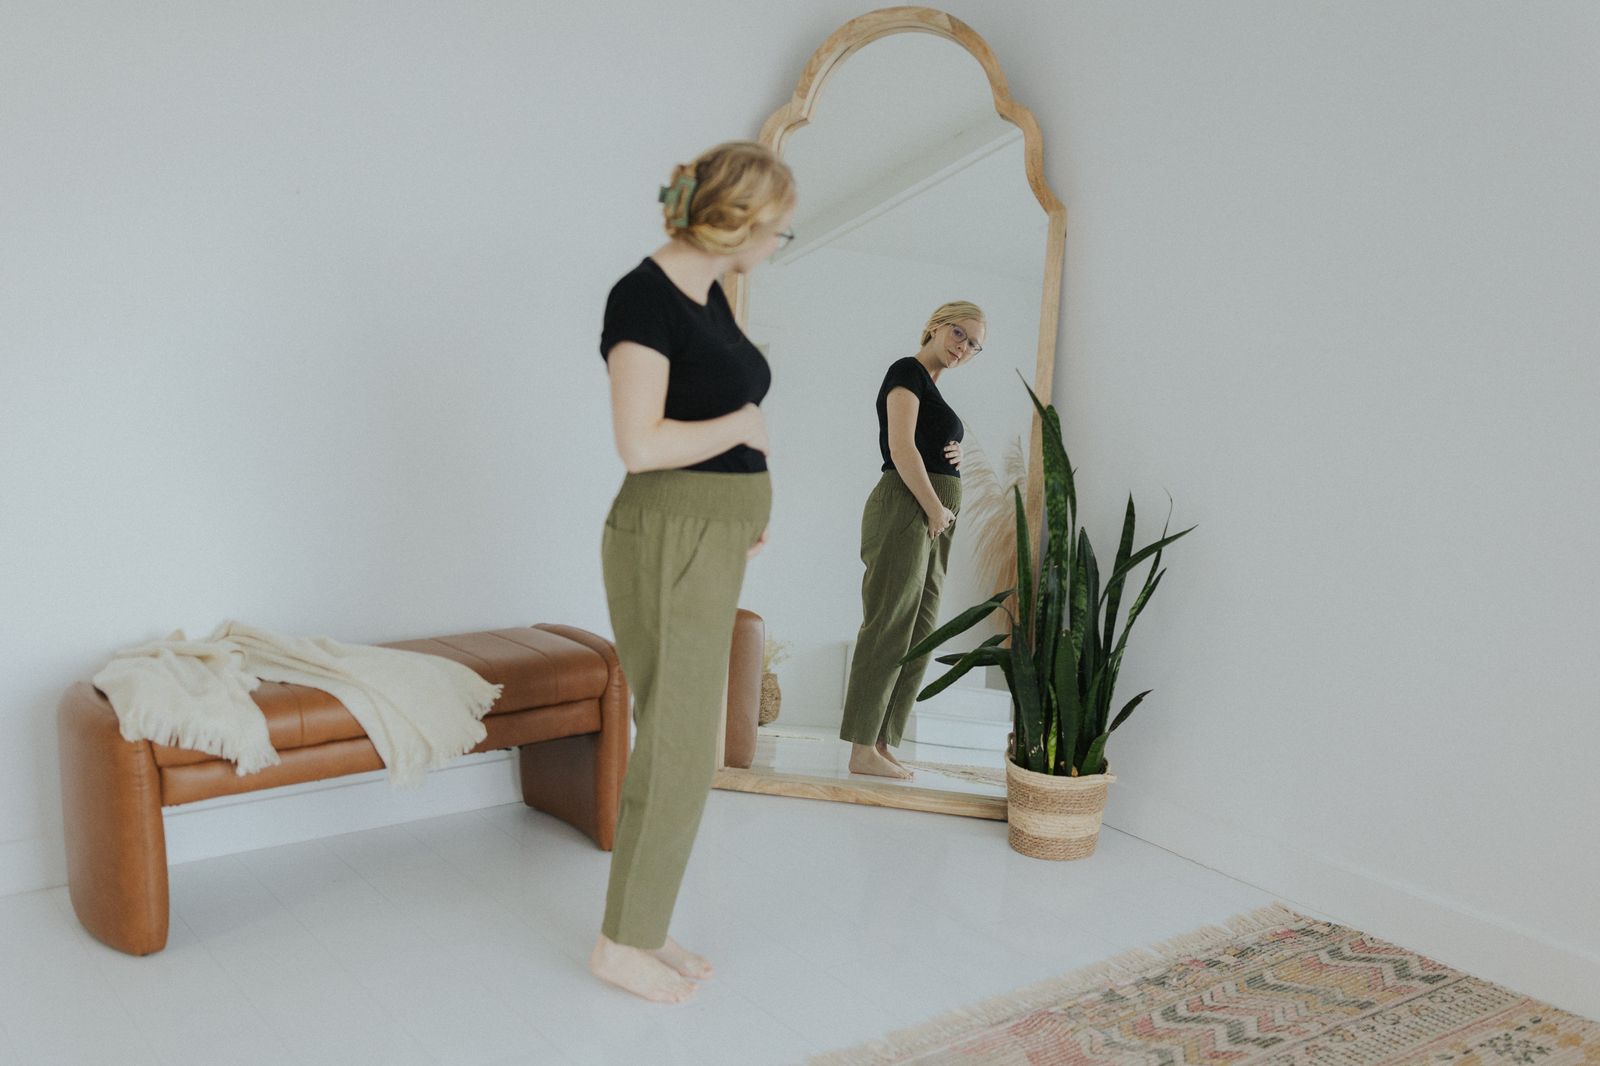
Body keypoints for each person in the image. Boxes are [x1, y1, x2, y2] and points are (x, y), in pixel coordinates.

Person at [590, 141, 796, 1003]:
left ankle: (646, 922)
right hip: (670, 535)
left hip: (704, 538)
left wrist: (737, 521)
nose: (780, 242)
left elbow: (702, 426)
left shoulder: (708, 294)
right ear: (738, 221)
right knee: (678, 745)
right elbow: (641, 446)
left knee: (686, 743)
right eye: (778, 228)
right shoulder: (642, 297)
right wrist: (745, 423)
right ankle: (621, 943)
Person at [839, 302, 987, 779]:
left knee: (922, 630)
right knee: (890, 623)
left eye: (973, 345)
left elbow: (925, 441)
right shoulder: (907, 370)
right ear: (937, 325)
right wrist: (933, 506)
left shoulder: (935, 390)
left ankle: (882, 742)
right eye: (960, 334)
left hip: (935, 512)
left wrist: (955, 451)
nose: (963, 348)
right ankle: (861, 748)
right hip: (910, 507)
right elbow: (901, 447)